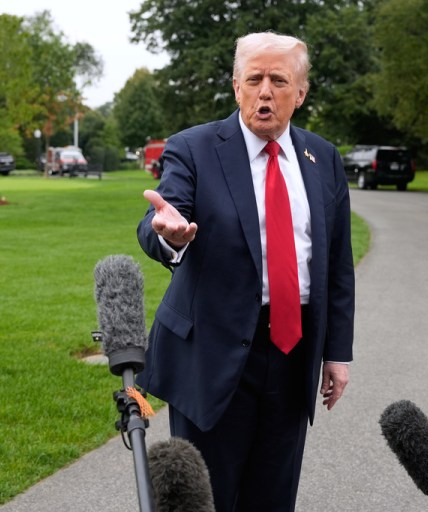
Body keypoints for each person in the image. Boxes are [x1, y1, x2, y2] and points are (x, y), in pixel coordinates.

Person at [136, 31, 355, 512]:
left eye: (279, 80)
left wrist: (337, 353)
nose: (265, 92)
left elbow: (337, 264)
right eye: (254, 79)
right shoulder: (193, 148)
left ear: (301, 93)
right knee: (205, 500)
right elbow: (160, 219)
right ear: (236, 87)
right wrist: (170, 235)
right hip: (212, 354)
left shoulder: (323, 158)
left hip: (293, 353)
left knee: (273, 497)